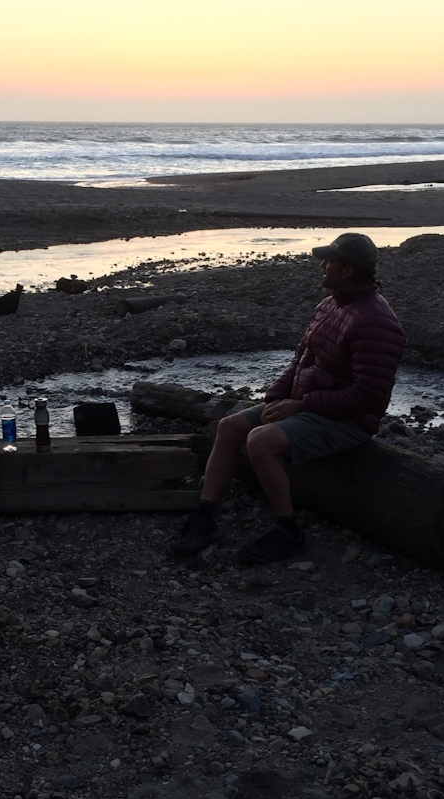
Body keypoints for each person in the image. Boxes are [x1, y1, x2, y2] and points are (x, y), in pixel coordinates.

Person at [173, 233, 406, 564]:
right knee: (229, 426)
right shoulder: (331, 304)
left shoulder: (378, 324)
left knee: (260, 442)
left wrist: (303, 404)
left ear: (348, 271)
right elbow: (302, 356)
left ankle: (289, 532)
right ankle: (205, 515)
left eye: (329, 261)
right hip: (307, 404)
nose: (323, 265)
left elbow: (368, 397)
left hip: (348, 421)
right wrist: (277, 395)